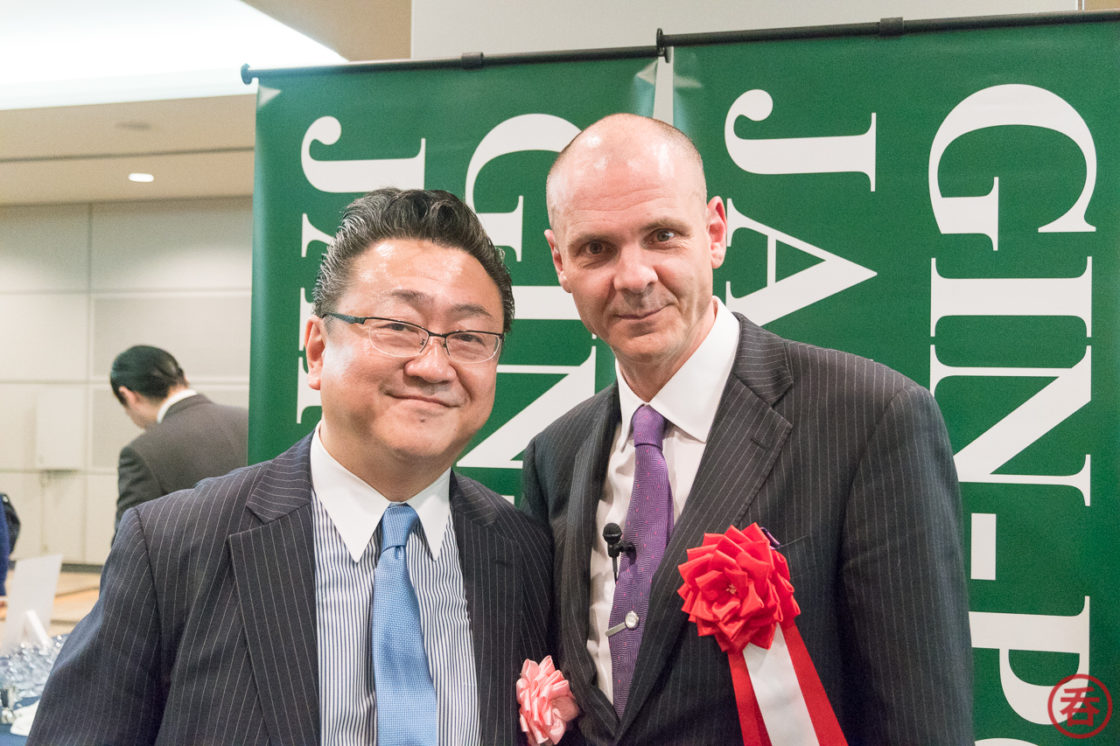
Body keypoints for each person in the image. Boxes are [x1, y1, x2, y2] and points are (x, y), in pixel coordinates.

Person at [29, 188, 552, 745]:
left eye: (469, 337)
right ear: (318, 350)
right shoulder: (172, 546)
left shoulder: (525, 554)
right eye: (398, 326)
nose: (433, 366)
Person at [520, 113, 972, 744]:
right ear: (559, 261)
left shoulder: (872, 419)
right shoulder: (553, 456)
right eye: (596, 248)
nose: (634, 277)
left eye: (662, 236)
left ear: (715, 232)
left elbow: (921, 722)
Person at [109, 344, 249, 531]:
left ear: (128, 395)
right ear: (183, 378)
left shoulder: (142, 452)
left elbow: (128, 541)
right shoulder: (249, 420)